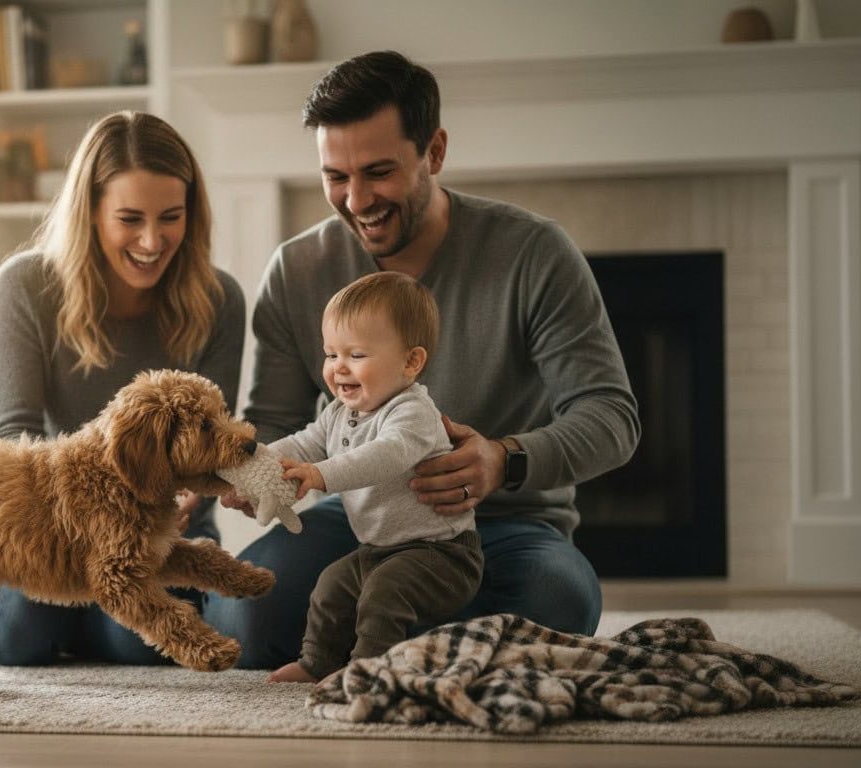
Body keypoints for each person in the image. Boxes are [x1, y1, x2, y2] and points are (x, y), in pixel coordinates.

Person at [206, 51, 640, 669]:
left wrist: (502, 459)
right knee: (243, 614)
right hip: (361, 524)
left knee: (557, 602)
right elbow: (275, 425)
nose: (356, 200)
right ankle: (417, 642)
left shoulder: (533, 253)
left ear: (433, 153)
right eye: (336, 176)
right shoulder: (298, 270)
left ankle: (383, 640)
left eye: (378, 172)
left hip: (504, 526)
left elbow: (611, 418)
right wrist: (259, 477)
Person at [0, 110, 245, 666]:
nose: (151, 240)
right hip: (49, 533)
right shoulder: (24, 286)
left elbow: (212, 444)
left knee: (140, 646)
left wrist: (184, 496)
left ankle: (93, 626)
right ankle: (72, 620)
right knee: (15, 640)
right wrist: (97, 516)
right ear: (91, 213)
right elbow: (12, 438)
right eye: (129, 218)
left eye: (171, 217)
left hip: (160, 536)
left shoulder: (220, 301)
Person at [258, 271, 483, 683]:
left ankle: (369, 670)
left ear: (410, 362)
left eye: (356, 355)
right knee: (331, 587)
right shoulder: (340, 412)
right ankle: (317, 662)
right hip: (378, 549)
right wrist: (257, 465)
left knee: (384, 595)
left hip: (442, 554)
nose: (338, 368)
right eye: (330, 354)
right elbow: (305, 443)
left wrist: (320, 474)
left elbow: (384, 456)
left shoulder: (412, 412)